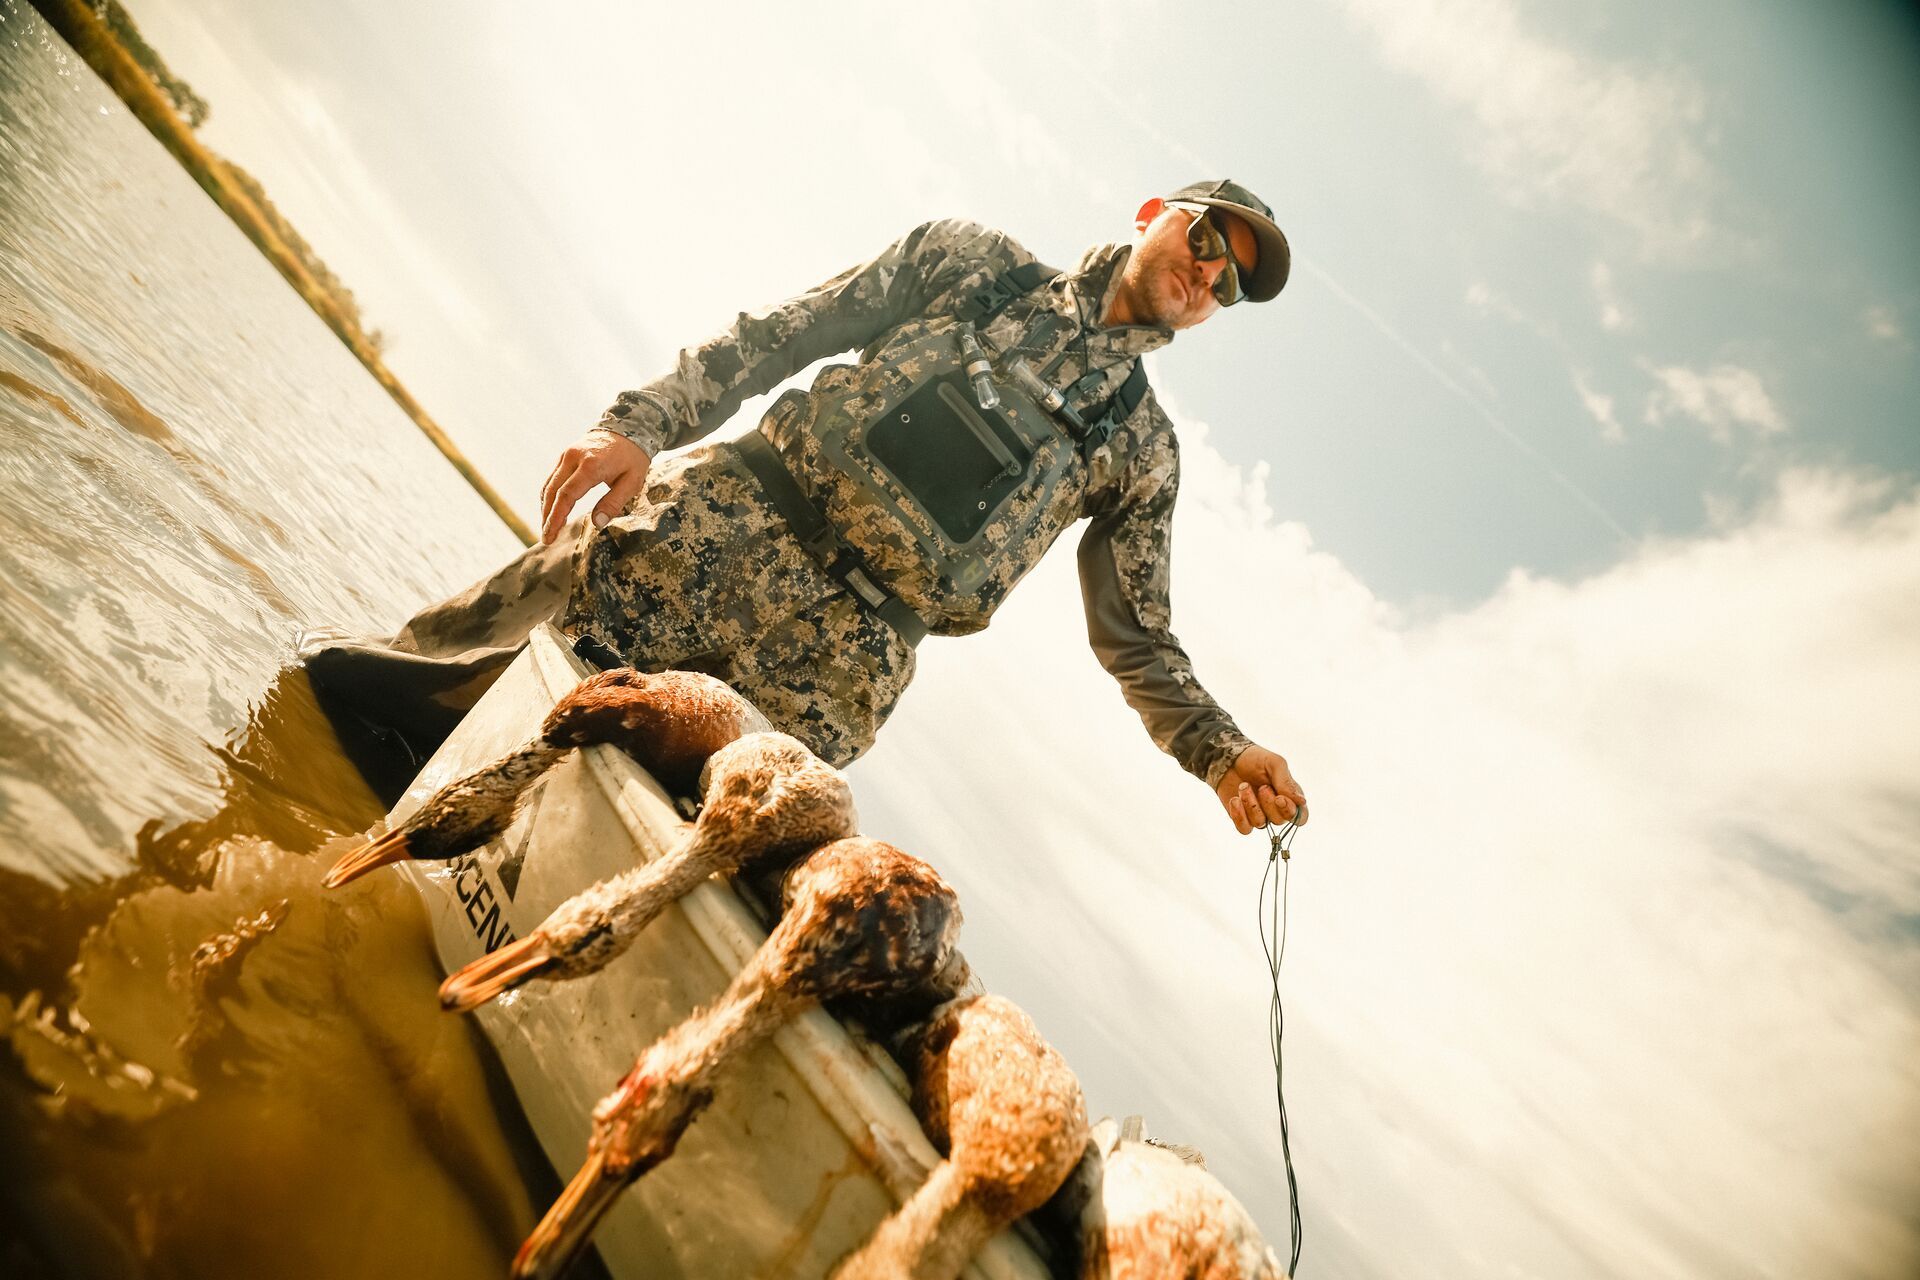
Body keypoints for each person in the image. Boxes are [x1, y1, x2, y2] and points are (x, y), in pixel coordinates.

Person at [304, 180, 1307, 836]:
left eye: (1231, 283)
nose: (1208, 271)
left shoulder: (1140, 450)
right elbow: (789, 333)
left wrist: (1220, 754)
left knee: (589, 833)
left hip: (818, 681)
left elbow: (1137, 639)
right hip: (691, 538)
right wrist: (643, 422)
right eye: (1208, 235)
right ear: (1155, 212)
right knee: (375, 705)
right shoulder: (971, 261)